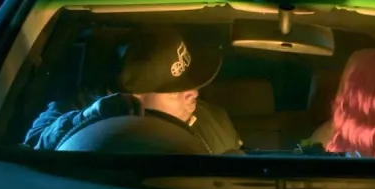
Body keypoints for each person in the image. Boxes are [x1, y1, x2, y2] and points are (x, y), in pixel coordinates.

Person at [25, 25, 242, 154]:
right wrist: (90, 117)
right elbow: (33, 145)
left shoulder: (214, 120)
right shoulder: (79, 111)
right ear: (133, 96)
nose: (194, 94)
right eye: (176, 91)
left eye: (190, 83)